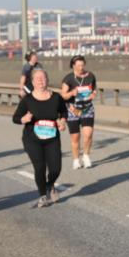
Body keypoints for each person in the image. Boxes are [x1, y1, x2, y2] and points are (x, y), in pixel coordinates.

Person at [12, 68, 67, 208]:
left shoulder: (56, 97)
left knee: (55, 169)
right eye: (38, 79)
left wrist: (62, 121)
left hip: (52, 138)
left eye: (43, 78)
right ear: (32, 82)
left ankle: (50, 185)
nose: (41, 81)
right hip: (32, 139)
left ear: (47, 80)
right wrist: (23, 119)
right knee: (40, 167)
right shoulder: (28, 100)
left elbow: (64, 112)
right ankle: (43, 196)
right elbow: (15, 118)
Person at [60, 55, 96, 169]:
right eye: (78, 65)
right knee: (75, 137)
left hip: (87, 109)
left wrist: (93, 94)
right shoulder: (68, 78)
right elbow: (63, 95)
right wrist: (71, 93)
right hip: (73, 110)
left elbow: (94, 89)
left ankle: (86, 156)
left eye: (82, 65)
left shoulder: (90, 76)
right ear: (73, 66)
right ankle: (76, 159)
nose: (81, 67)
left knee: (88, 134)